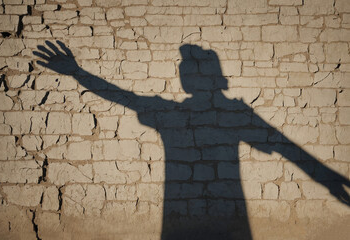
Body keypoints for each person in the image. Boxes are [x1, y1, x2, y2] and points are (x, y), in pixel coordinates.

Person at [34, 41, 350, 240]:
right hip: (199, 218)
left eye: (190, 72)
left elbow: (285, 146)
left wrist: (333, 180)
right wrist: (78, 73)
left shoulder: (204, 112)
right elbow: (286, 147)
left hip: (203, 217)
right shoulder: (199, 112)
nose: (186, 77)